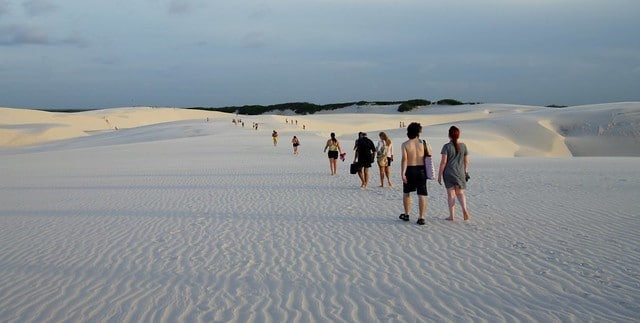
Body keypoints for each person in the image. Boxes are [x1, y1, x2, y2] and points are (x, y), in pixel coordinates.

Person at [438, 126, 470, 221]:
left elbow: (443, 162)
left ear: (449, 135)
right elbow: (466, 161)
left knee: (451, 195)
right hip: (460, 173)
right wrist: (465, 171)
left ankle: (452, 216)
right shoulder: (463, 146)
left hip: (448, 173)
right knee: (460, 193)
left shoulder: (446, 146)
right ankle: (464, 209)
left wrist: (439, 175)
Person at [400, 122, 428, 225]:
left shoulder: (405, 144)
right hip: (421, 170)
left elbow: (404, 159)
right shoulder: (424, 143)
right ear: (418, 132)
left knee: (407, 192)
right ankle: (421, 217)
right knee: (422, 194)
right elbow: (429, 156)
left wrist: (402, 173)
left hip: (410, 169)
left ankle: (407, 214)